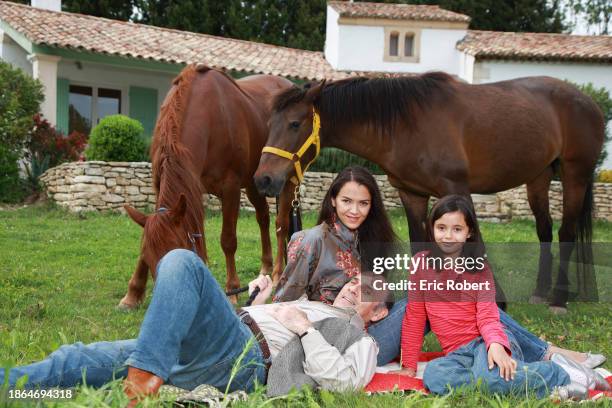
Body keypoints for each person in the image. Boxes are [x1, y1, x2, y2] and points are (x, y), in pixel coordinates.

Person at [272, 166, 606, 371]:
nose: (354, 211)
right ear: (332, 200)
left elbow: (379, 296)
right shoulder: (310, 240)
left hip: (380, 325)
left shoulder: (368, 240)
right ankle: (548, 353)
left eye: (363, 203)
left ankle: (526, 350)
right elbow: (284, 299)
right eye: (346, 201)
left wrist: (382, 301)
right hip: (348, 340)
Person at [0, 249, 391, 404]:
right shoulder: (310, 302)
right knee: (79, 357)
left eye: (368, 289)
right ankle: (9, 389)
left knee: (182, 262)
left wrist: (305, 329)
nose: (355, 285)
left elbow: (343, 383)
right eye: (355, 280)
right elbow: (264, 321)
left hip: (244, 360)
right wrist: (259, 300)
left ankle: (144, 375)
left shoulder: (361, 339)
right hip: (216, 340)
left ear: (379, 313)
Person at [396, 195, 609, 400]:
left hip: (484, 343)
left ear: (469, 232)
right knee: (435, 375)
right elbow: (415, 316)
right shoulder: (420, 264)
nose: (448, 236)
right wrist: (409, 365)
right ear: (432, 228)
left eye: (457, 229)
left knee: (489, 376)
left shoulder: (479, 270)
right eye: (441, 228)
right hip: (456, 355)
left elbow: (488, 315)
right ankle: (545, 382)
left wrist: (495, 345)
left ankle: (559, 374)